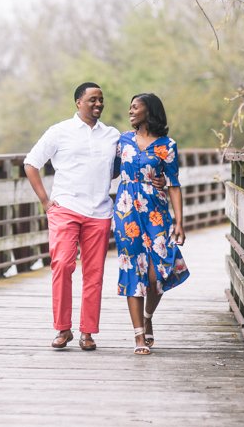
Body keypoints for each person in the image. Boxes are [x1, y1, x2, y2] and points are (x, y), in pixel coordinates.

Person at [24, 82, 166, 351]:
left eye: (101, 100)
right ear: (78, 102)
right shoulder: (59, 131)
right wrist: (45, 201)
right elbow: (31, 163)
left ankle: (87, 332)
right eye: (92, 100)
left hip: (100, 211)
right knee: (63, 265)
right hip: (64, 208)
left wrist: (158, 179)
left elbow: (132, 159)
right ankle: (62, 328)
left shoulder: (113, 136)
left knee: (94, 274)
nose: (98, 104)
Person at [113, 93, 189, 355]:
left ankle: (147, 316)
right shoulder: (122, 141)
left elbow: (174, 184)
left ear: (150, 111)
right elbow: (107, 169)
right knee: (133, 269)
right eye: (130, 106)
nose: (130, 110)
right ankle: (138, 336)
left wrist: (179, 222)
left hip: (156, 211)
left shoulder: (167, 145)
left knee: (158, 273)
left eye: (136, 106)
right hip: (126, 212)